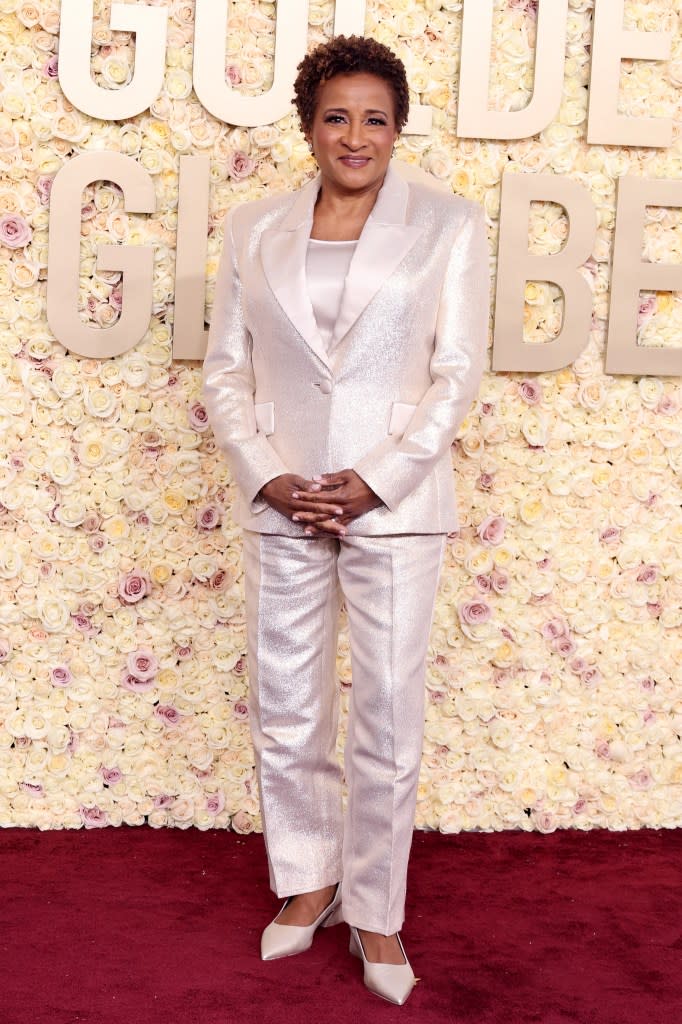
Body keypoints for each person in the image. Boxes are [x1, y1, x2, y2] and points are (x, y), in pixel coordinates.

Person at [202, 34, 489, 1005]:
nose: (355, 134)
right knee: (285, 706)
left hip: (396, 507)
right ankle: (307, 881)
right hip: (283, 497)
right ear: (308, 125)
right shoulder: (253, 227)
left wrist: (374, 480)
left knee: (387, 715)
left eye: (375, 116)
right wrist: (270, 477)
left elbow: (454, 379)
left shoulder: (447, 224)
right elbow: (226, 371)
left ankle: (375, 908)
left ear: (397, 126)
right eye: (336, 115)